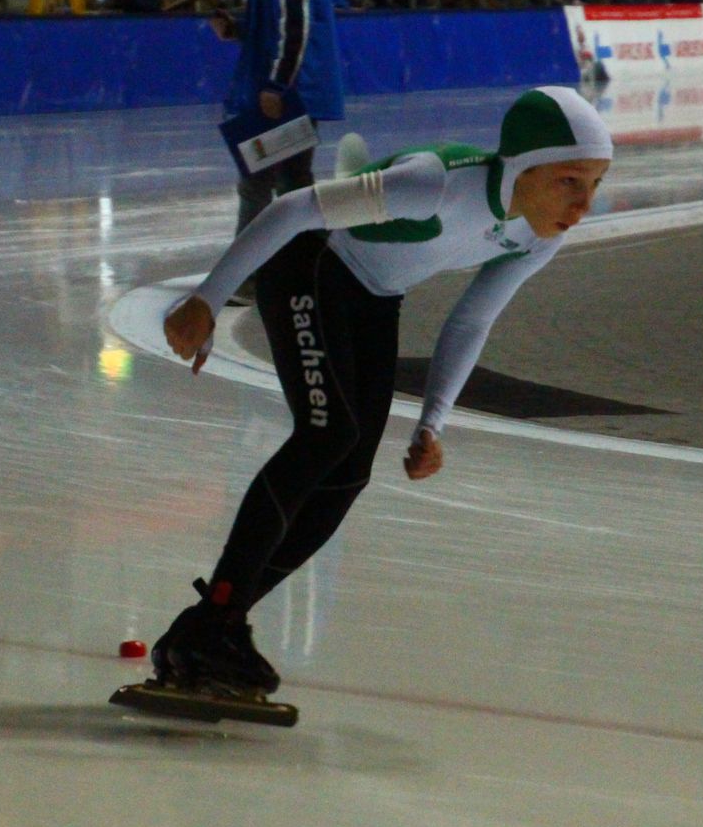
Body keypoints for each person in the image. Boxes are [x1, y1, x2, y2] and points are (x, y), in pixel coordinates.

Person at [146, 87, 615, 699]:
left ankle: (213, 624)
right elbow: (292, 209)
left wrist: (432, 424)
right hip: (310, 262)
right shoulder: (435, 184)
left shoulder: (540, 234)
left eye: (595, 184)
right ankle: (215, 619)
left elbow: (472, 320)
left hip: (374, 296)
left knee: (348, 473)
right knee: (328, 434)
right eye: (569, 181)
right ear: (524, 167)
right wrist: (206, 300)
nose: (583, 204)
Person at [212, 0, 345, 247]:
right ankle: (316, 259)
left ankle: (251, 269)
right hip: (293, 86)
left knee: (258, 182)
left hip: (290, 92)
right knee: (293, 182)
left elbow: (296, 21)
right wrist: (238, 28)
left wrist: (276, 84)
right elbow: (281, 18)